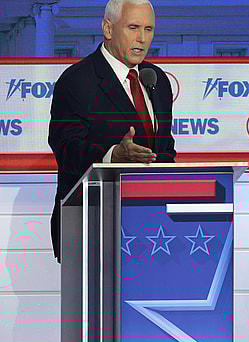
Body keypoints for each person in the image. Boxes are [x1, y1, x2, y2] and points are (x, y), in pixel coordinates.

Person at [48, 0, 177, 261]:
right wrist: (111, 156)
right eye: (133, 27)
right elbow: (66, 149)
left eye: (149, 29)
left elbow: (165, 148)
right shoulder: (77, 80)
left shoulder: (156, 79)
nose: (142, 38)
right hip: (93, 225)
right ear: (108, 29)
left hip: (154, 231)